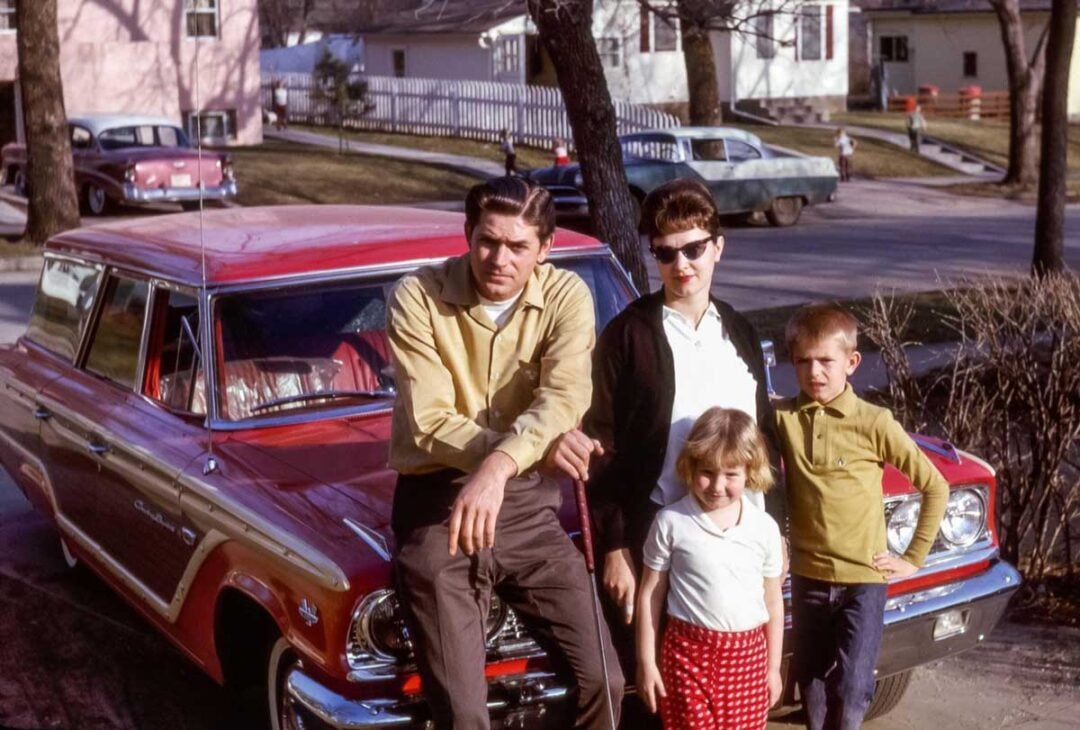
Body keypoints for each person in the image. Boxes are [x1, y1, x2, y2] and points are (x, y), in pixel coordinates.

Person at [386, 175, 623, 730]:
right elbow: (428, 419)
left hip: (526, 508)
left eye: (518, 246)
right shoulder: (417, 296)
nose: (500, 259)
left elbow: (563, 397)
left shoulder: (567, 295)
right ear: (468, 235)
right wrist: (521, 453)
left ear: (545, 249)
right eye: (488, 241)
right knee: (465, 713)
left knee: (606, 684)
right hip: (436, 507)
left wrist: (500, 467)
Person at [546, 178, 784, 726]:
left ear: (717, 247)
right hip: (660, 536)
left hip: (738, 533)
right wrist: (615, 547)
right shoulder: (628, 336)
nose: (682, 265)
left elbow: (763, 439)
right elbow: (600, 447)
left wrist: (779, 531)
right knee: (660, 695)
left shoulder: (740, 332)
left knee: (737, 691)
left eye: (695, 249)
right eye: (666, 253)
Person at [776, 302, 949, 730]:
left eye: (826, 362)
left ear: (852, 362)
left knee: (853, 686)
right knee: (811, 682)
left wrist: (913, 557)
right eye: (803, 362)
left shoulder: (875, 422)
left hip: (863, 579)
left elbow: (935, 485)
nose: (814, 372)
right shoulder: (781, 418)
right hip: (807, 577)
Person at [636, 407, 785, 729]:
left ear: (750, 471)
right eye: (707, 471)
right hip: (687, 658)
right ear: (689, 466)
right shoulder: (671, 522)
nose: (717, 486)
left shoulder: (764, 528)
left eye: (731, 474)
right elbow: (651, 593)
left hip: (748, 661)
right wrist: (646, 662)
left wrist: (773, 668)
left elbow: (773, 601)